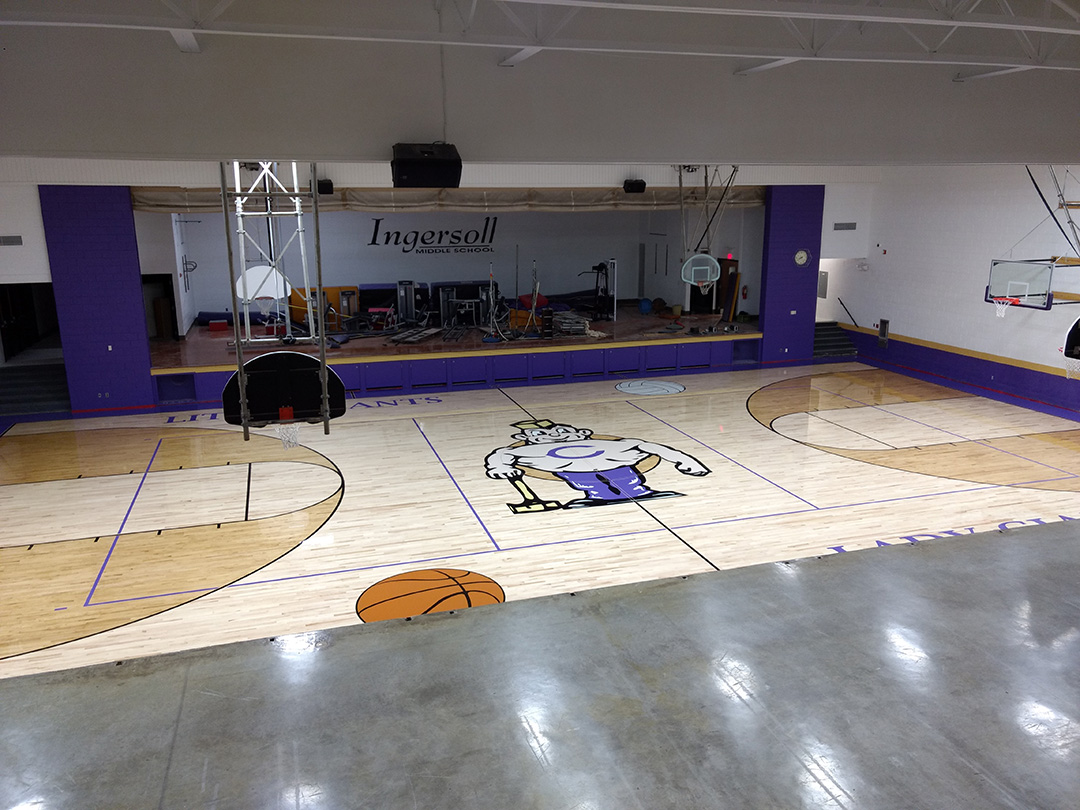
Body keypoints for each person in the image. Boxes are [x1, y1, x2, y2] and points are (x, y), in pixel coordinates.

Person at [484, 418, 710, 508]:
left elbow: (651, 447)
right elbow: (501, 454)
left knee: (627, 481)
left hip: (618, 465)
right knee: (594, 484)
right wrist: (500, 467)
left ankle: (639, 492)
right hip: (573, 473)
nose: (553, 435)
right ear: (526, 439)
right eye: (540, 434)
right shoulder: (529, 450)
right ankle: (599, 497)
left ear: (582, 432)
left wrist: (684, 460)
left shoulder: (619, 445)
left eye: (562, 431)